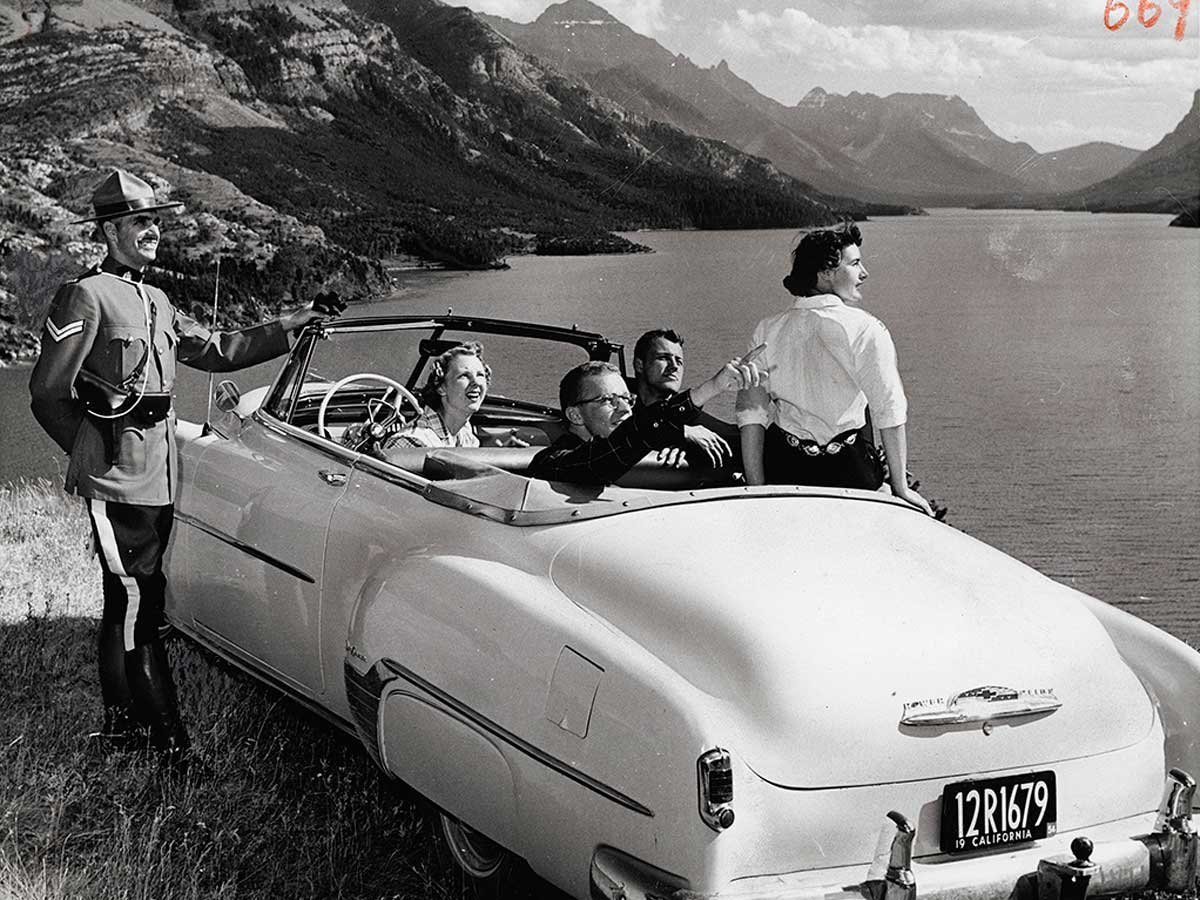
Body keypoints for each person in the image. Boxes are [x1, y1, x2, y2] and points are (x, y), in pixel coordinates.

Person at [28, 169, 342, 769]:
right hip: (117, 473)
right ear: (112, 229)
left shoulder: (157, 299)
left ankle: (120, 726)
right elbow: (47, 393)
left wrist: (294, 323)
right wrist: (94, 452)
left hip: (161, 471)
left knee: (127, 601)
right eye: (142, 223)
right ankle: (169, 745)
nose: (154, 233)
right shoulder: (85, 295)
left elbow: (219, 349)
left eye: (155, 222)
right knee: (142, 605)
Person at [735, 222, 932, 514]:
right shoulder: (866, 328)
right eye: (854, 264)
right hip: (852, 473)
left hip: (785, 469)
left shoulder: (767, 330)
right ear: (826, 273)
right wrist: (900, 487)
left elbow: (751, 415)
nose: (864, 273)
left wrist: (758, 487)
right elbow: (889, 409)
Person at [530, 347, 764, 486]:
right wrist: (710, 388)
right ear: (575, 415)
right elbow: (601, 460)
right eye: (608, 401)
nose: (624, 410)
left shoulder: (644, 446)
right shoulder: (551, 463)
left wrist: (676, 441)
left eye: (627, 399)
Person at [342, 342, 518, 455]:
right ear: (441, 387)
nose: (475, 383)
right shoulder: (414, 442)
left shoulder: (464, 430)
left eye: (480, 375)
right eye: (464, 376)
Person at [631, 328, 740, 469]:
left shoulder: (698, 425)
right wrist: (679, 433)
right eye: (663, 358)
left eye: (679, 361)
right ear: (639, 365)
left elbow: (738, 440)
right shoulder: (616, 403)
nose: (674, 366)